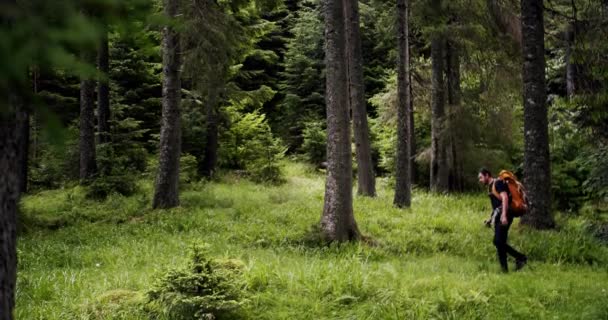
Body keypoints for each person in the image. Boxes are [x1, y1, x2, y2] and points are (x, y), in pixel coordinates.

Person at [478, 168, 527, 272]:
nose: (480, 180)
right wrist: (490, 219)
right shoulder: (490, 187)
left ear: (487, 175)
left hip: (505, 214)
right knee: (501, 242)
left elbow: (504, 198)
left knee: (497, 241)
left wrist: (504, 215)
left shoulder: (498, 182)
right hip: (499, 215)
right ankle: (504, 270)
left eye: (481, 177)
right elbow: (496, 206)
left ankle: (521, 257)